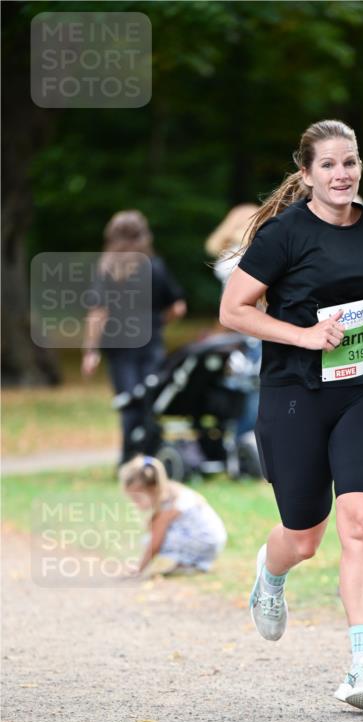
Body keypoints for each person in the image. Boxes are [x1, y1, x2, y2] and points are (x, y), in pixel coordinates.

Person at [220, 119, 363, 715]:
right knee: (305, 535)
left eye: (351, 163)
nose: (343, 175)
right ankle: (271, 569)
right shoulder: (285, 236)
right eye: (330, 165)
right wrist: (304, 337)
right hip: (295, 395)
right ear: (308, 173)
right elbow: (233, 310)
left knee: (362, 524)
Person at [81, 211, 187, 463]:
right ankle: (152, 455)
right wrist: (159, 322)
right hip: (151, 343)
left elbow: (98, 313)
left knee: (127, 400)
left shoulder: (107, 269)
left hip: (118, 346)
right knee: (151, 399)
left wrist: (91, 350)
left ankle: (129, 457)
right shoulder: (155, 266)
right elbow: (178, 307)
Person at [206, 204, 262, 439]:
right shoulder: (253, 256)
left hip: (240, 334)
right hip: (251, 333)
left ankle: (241, 438)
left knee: (242, 386)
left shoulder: (229, 259)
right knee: (252, 387)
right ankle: (245, 439)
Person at [120, 455, 227, 576]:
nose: (135, 503)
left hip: (206, 541)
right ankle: (189, 563)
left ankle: (189, 564)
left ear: (152, 488)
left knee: (149, 539)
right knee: (154, 534)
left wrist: (139, 569)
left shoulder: (168, 505)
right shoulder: (173, 490)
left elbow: (155, 544)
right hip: (214, 539)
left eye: (137, 498)